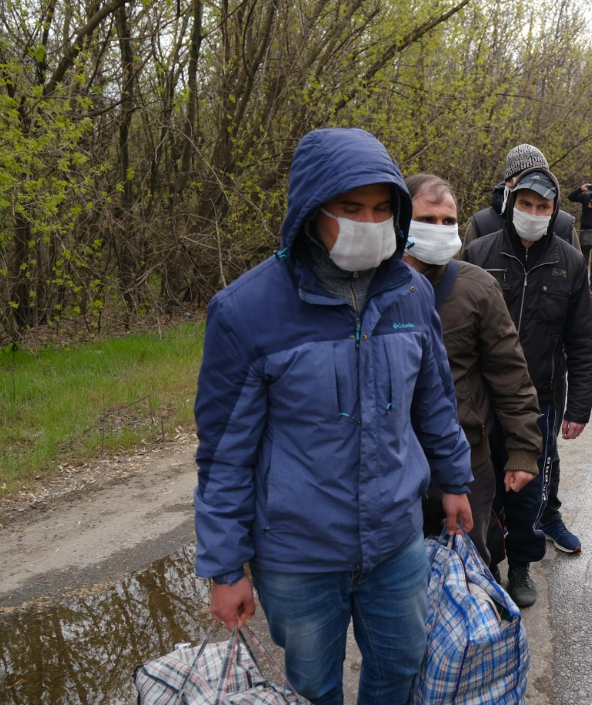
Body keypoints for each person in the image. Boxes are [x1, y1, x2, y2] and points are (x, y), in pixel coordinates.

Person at [195, 128, 474, 705]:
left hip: (398, 541)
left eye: (381, 209)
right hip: (297, 555)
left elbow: (436, 402)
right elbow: (224, 455)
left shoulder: (411, 295)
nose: (368, 222)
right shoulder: (246, 311)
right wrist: (225, 567)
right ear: (309, 211)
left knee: (399, 670)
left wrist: (454, 481)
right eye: (351, 208)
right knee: (311, 689)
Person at [462, 166, 592, 608]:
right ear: (510, 202)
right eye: (526, 204)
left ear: (554, 211)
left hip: (540, 396)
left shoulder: (569, 262)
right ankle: (486, 567)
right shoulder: (479, 253)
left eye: (543, 207)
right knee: (480, 486)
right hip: (481, 400)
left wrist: (579, 406)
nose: (533, 213)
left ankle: (520, 565)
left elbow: (581, 339)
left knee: (526, 489)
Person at [403, 174, 542, 572]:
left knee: (469, 565)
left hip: (468, 463)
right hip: (397, 466)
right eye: (427, 220)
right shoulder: (375, 288)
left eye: (449, 221)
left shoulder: (476, 287)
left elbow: (511, 375)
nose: (440, 230)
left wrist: (523, 451)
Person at [463, 144, 577, 249]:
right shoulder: (481, 224)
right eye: (525, 175)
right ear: (509, 181)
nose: (533, 183)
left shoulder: (564, 225)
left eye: (539, 175)